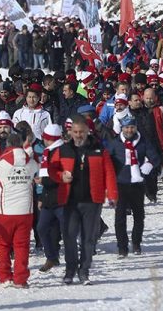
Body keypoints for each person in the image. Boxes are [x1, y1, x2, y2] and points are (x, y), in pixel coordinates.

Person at [50, 115, 118, 285]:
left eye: (82, 132)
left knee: (88, 239)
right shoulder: (63, 150)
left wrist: (113, 195)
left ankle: (84, 271)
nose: (78, 135)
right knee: (69, 237)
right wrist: (60, 176)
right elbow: (51, 169)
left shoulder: (99, 150)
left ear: (88, 131)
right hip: (69, 201)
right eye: (75, 132)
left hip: (92, 201)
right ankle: (70, 270)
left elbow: (109, 173)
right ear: (70, 132)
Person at [0, 133, 38, 288]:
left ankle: (4, 277)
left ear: (7, 146)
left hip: (4, 213)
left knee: (3, 245)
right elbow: (41, 173)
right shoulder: (32, 164)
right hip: (25, 212)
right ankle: (20, 279)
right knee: (22, 246)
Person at [106, 115, 158, 257]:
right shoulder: (115, 143)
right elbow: (107, 161)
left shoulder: (143, 142)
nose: (129, 130)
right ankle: (122, 246)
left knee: (139, 215)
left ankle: (136, 243)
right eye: (126, 127)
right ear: (122, 128)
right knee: (120, 217)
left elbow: (155, 157)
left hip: (137, 184)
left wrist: (149, 165)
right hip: (120, 184)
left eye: (132, 127)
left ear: (136, 128)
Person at [34, 124, 64, 272]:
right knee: (42, 227)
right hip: (48, 197)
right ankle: (51, 257)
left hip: (61, 197)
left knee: (68, 229)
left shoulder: (62, 152)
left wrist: (43, 181)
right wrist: (41, 197)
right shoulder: (48, 152)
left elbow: (61, 176)